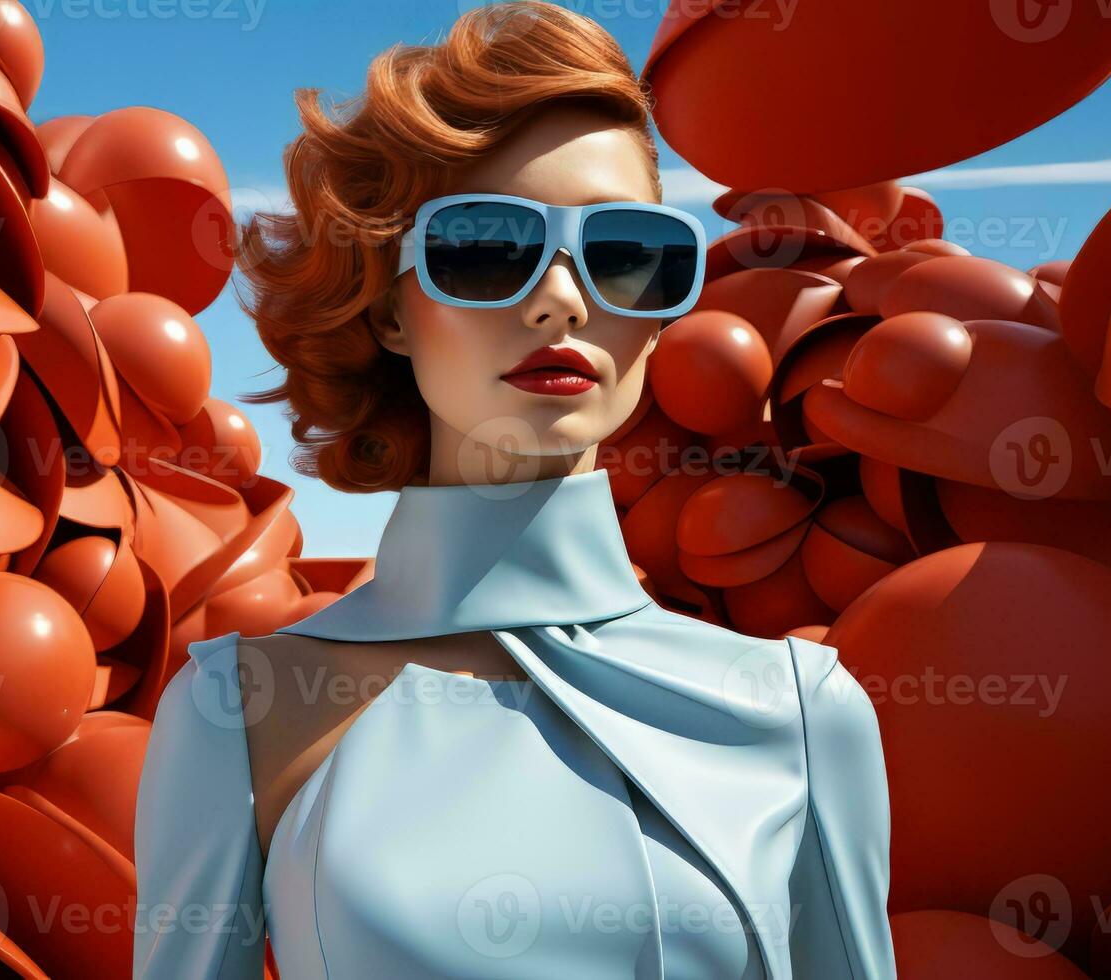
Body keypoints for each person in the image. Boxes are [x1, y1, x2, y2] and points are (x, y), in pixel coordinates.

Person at [132, 4, 895, 977]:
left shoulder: (803, 711)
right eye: (487, 246)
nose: (565, 297)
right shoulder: (236, 712)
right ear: (391, 305)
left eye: (626, 254)